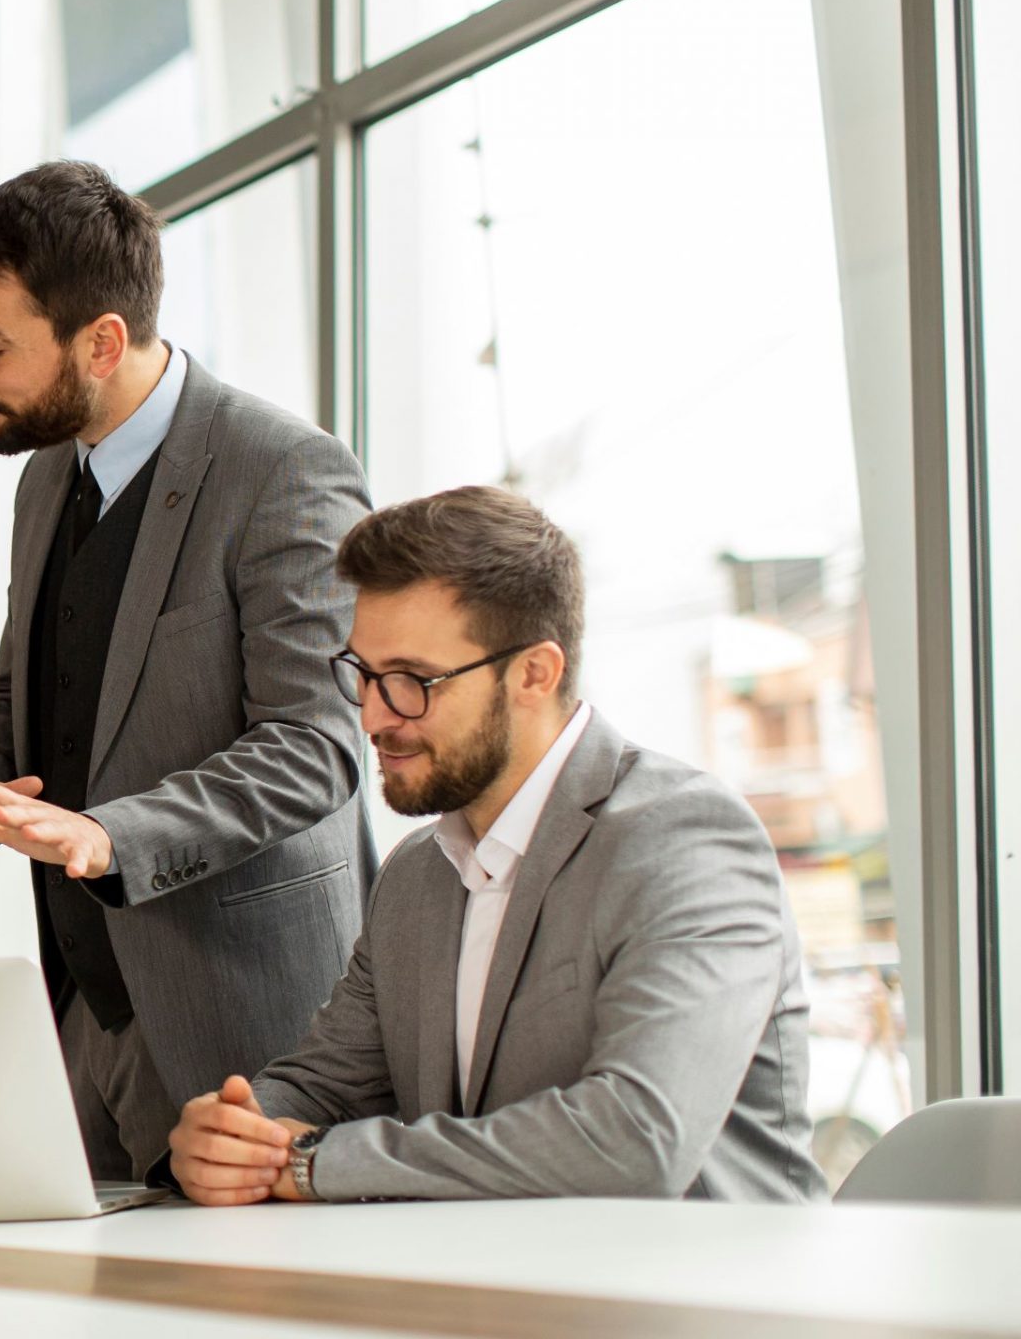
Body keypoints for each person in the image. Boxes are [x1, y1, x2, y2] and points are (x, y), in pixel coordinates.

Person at [0, 160, 372, 1186]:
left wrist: (107, 834)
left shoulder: (282, 472)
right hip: (84, 1008)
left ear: (102, 341)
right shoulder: (46, 476)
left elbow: (316, 747)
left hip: (248, 1026)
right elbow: (26, 670)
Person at [166, 486, 825, 1204]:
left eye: (414, 681)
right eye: (363, 674)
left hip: (701, 1300)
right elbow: (325, 1082)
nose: (376, 717)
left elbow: (637, 1141)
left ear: (534, 674)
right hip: (489, 1291)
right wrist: (234, 1132)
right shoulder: (418, 874)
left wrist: (312, 1163)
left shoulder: (688, 841)